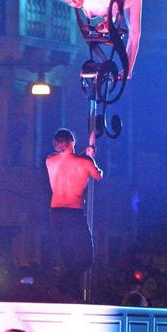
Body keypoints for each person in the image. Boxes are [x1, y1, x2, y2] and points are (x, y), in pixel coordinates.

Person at [45, 128, 103, 300]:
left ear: (56, 145)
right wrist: (91, 156)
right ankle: (62, 283)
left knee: (69, 259)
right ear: (72, 142)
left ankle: (73, 296)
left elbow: (68, 162)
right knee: (86, 258)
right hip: (73, 213)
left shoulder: (50, 160)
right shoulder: (84, 161)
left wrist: (85, 156)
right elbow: (98, 176)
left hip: (55, 212)